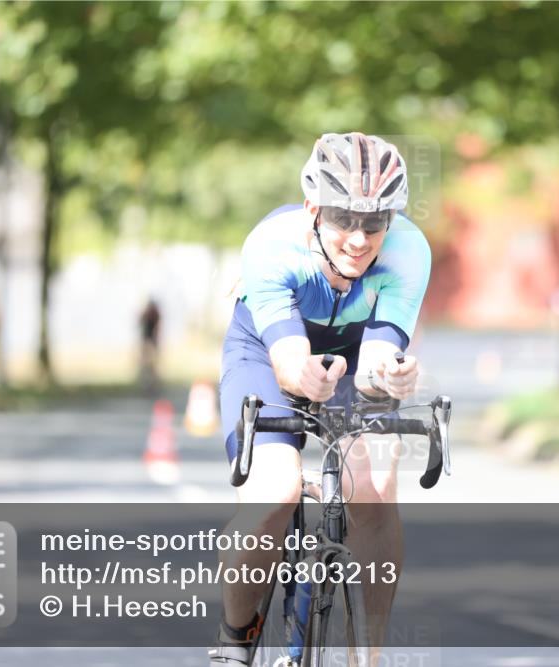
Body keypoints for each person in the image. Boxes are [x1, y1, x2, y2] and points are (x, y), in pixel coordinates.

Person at [210, 132, 431, 665]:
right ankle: (236, 638)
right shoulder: (272, 244)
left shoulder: (408, 252)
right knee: (275, 492)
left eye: (374, 222)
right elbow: (289, 364)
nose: (358, 239)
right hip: (266, 349)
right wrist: (305, 378)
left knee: (375, 489)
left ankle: (366, 656)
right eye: (342, 219)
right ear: (313, 209)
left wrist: (390, 378)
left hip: (352, 352)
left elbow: (375, 361)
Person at [138, 298, 161, 393]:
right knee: (146, 366)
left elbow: (157, 328)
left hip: (151, 342)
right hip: (147, 341)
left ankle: (151, 386)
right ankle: (146, 386)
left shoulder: (154, 314)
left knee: (151, 366)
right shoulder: (147, 314)